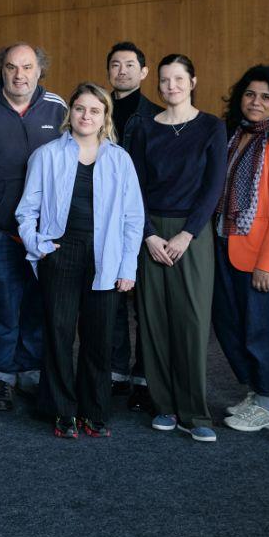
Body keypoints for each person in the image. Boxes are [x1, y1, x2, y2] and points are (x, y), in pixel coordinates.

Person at [16, 83, 144, 439]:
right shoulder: (47, 155)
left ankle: (94, 409)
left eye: (95, 110)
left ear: (105, 118)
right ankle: (61, 410)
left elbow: (133, 219)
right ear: (69, 113)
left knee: (99, 338)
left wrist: (128, 267)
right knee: (58, 335)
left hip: (107, 256)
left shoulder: (120, 159)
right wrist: (38, 245)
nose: (86, 116)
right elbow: (26, 211)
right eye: (80, 109)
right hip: (61, 252)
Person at [127, 54, 226, 443]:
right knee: (153, 320)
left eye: (179, 79)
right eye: (165, 80)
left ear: (193, 81)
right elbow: (133, 187)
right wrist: (148, 234)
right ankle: (163, 405)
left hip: (192, 234)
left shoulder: (211, 127)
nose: (171, 86)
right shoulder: (144, 128)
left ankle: (194, 411)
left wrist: (187, 234)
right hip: (150, 232)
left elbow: (213, 187)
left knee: (193, 321)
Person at [0, 43, 67, 410]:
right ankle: (1, 376)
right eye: (11, 67)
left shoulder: (58, 107)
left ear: (40, 70)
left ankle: (30, 370)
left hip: (44, 234)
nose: (19, 75)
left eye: (27, 67)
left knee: (38, 303)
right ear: (2, 70)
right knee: (4, 304)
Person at [212, 65, 269, 433]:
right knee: (227, 324)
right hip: (223, 243)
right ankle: (256, 391)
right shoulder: (234, 135)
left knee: (258, 330)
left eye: (266, 97)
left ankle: (268, 402)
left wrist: (268, 263)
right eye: (250, 94)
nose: (256, 102)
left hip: (259, 256)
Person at [106, 41, 160, 411]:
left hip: (144, 219)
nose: (122, 71)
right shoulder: (97, 109)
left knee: (145, 303)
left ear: (143, 72)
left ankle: (144, 377)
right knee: (111, 299)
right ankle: (115, 373)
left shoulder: (156, 117)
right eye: (115, 64)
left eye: (129, 65)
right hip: (105, 219)